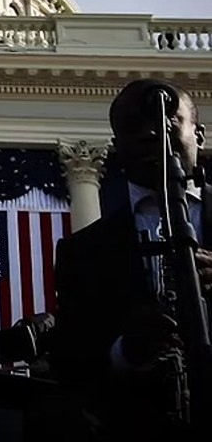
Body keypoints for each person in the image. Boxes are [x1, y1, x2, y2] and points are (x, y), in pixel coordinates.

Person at [51, 78, 212, 441]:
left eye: (168, 120)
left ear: (198, 135)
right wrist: (126, 350)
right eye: (132, 126)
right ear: (116, 147)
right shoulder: (84, 252)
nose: (150, 133)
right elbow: (70, 366)